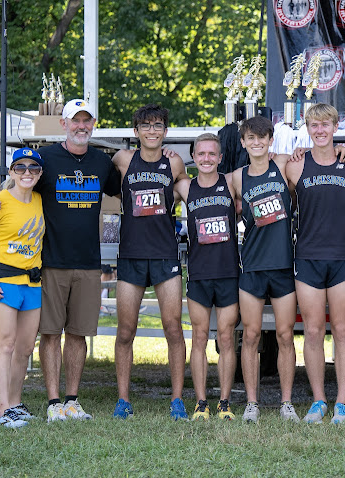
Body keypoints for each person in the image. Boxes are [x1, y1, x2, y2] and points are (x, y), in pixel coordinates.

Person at [0, 99, 121, 423]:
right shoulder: (46, 159)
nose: (81, 126)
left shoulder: (101, 162)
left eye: (86, 121)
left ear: (93, 124)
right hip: (50, 264)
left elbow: (122, 185)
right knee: (49, 334)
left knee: (78, 334)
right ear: (64, 124)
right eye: (75, 121)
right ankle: (53, 402)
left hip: (88, 264)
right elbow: (20, 183)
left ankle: (72, 400)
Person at [111, 104, 189, 420]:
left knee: (173, 328)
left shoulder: (175, 162)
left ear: (165, 131)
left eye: (158, 125)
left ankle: (177, 400)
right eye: (146, 126)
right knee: (126, 330)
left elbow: (194, 191)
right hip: (130, 254)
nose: (152, 131)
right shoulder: (123, 160)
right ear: (136, 131)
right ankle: (123, 400)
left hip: (164, 254)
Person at [285, 103, 345, 425]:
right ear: (307, 128)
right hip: (308, 257)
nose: (319, 130)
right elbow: (267, 161)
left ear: (335, 126)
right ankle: (319, 401)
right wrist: (295, 151)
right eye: (313, 125)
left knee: (343, 330)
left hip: (342, 256)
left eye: (325, 124)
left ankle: (343, 403)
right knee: (313, 331)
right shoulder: (296, 166)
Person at [232, 117, 300, 423]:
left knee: (285, 335)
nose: (257, 142)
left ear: (270, 140)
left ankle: (286, 403)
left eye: (262, 137)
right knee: (251, 334)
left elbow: (316, 157)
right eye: (250, 138)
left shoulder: (284, 164)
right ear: (243, 142)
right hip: (253, 266)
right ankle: (252, 403)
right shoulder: (236, 178)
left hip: (283, 264)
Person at [0, 148, 44, 428]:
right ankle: (4, 410)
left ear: (40, 174)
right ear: (11, 172)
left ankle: (16, 403)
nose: (27, 172)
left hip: (32, 283)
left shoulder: (40, 200)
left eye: (34, 168)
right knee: (5, 344)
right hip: (2, 282)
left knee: (25, 348)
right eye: (21, 167)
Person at [174, 133, 239, 421]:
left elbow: (265, 164)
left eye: (212, 154)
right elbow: (160, 178)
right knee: (198, 337)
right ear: (194, 157)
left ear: (220, 157)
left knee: (226, 338)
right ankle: (201, 402)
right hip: (199, 274)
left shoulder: (231, 182)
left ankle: (224, 402)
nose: (206, 159)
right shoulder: (186, 187)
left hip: (227, 273)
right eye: (201, 154)